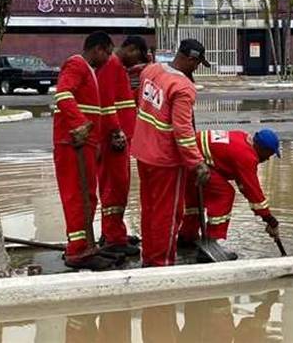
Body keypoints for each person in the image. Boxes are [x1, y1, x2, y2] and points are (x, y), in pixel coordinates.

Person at [131, 39, 211, 267]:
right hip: (166, 160)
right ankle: (162, 263)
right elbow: (182, 129)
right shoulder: (183, 87)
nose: (196, 69)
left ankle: (149, 257)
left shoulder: (152, 70)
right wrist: (196, 162)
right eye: (196, 64)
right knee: (168, 213)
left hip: (143, 153)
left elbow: (141, 103)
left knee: (149, 209)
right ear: (190, 59)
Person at [53, 31, 114, 270]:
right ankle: (78, 250)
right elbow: (63, 94)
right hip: (73, 144)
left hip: (85, 144)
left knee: (88, 195)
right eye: (108, 52)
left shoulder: (89, 71)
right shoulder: (76, 64)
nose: (109, 58)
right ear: (97, 49)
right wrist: (78, 123)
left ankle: (85, 245)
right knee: (77, 195)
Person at [179, 129, 281, 261]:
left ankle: (186, 238)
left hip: (186, 157)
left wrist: (266, 218)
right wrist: (270, 220)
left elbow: (244, 185)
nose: (267, 158)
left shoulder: (242, 137)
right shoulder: (247, 156)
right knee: (225, 194)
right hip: (197, 162)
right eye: (269, 154)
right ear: (262, 148)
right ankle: (209, 245)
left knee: (195, 202)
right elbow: (254, 194)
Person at [95, 35, 149, 256]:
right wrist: (116, 131)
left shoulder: (118, 68)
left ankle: (114, 231)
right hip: (113, 140)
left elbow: (124, 101)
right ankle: (114, 237)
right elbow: (106, 103)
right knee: (115, 188)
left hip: (119, 139)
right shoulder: (112, 66)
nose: (137, 61)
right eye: (138, 55)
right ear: (131, 49)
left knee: (118, 187)